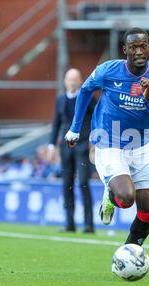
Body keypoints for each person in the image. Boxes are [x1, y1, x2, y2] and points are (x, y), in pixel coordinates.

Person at [64, 27, 149, 246]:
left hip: (141, 146)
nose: (139, 51)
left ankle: (130, 252)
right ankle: (111, 196)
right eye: (134, 47)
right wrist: (75, 128)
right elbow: (85, 90)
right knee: (126, 198)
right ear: (125, 50)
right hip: (109, 143)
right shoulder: (108, 71)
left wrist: (148, 98)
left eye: (143, 46)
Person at [49, 69, 95, 233]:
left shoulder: (87, 97)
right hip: (65, 147)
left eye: (75, 79)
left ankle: (89, 224)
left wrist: (94, 139)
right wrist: (51, 145)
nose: (72, 82)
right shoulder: (60, 100)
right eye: (69, 79)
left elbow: (96, 117)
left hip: (82, 145)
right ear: (65, 81)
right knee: (66, 184)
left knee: (83, 182)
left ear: (81, 81)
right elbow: (56, 122)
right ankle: (69, 223)